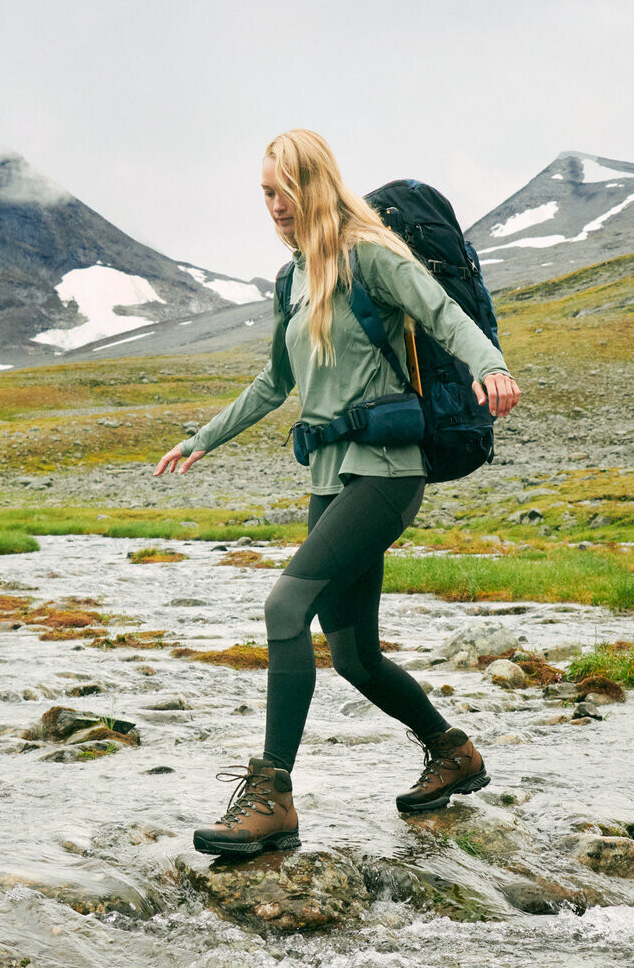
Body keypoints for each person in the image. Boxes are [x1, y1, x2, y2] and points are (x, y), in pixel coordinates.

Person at [154, 129, 520, 859]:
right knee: (352, 654)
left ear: (315, 182)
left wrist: (492, 368)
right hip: (331, 477)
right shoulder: (293, 280)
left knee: (285, 607)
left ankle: (272, 797)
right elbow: (274, 384)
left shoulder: (371, 255)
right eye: (264, 193)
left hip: (387, 474)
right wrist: (202, 437)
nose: (274, 206)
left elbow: (448, 316)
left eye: (282, 190)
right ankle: (452, 752)